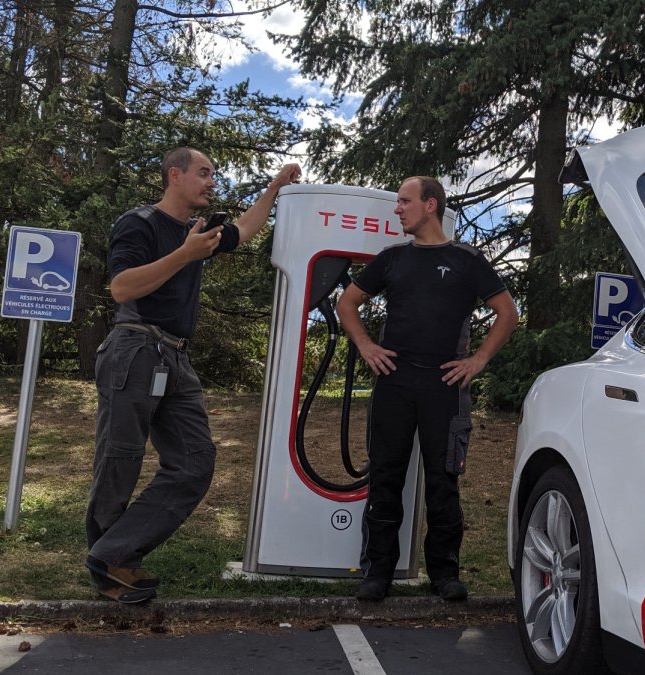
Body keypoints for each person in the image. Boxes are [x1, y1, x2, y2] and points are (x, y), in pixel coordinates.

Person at [85, 147, 302, 603]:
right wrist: (184, 255)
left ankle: (112, 552)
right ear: (174, 176)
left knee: (195, 463)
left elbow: (244, 229)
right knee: (119, 459)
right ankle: (111, 569)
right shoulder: (139, 222)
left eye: (213, 174)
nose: (211, 181)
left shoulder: (199, 232)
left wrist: (276, 189)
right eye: (204, 173)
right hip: (136, 348)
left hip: (176, 359)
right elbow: (122, 287)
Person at [336, 176, 519, 602]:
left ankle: (444, 573)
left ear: (430, 204)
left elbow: (507, 313)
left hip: (445, 385)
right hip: (395, 382)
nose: (397, 209)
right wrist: (367, 347)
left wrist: (478, 361)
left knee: (443, 480)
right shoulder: (392, 259)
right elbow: (347, 304)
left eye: (404, 201)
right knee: (385, 476)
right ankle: (377, 571)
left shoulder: (466, 260)